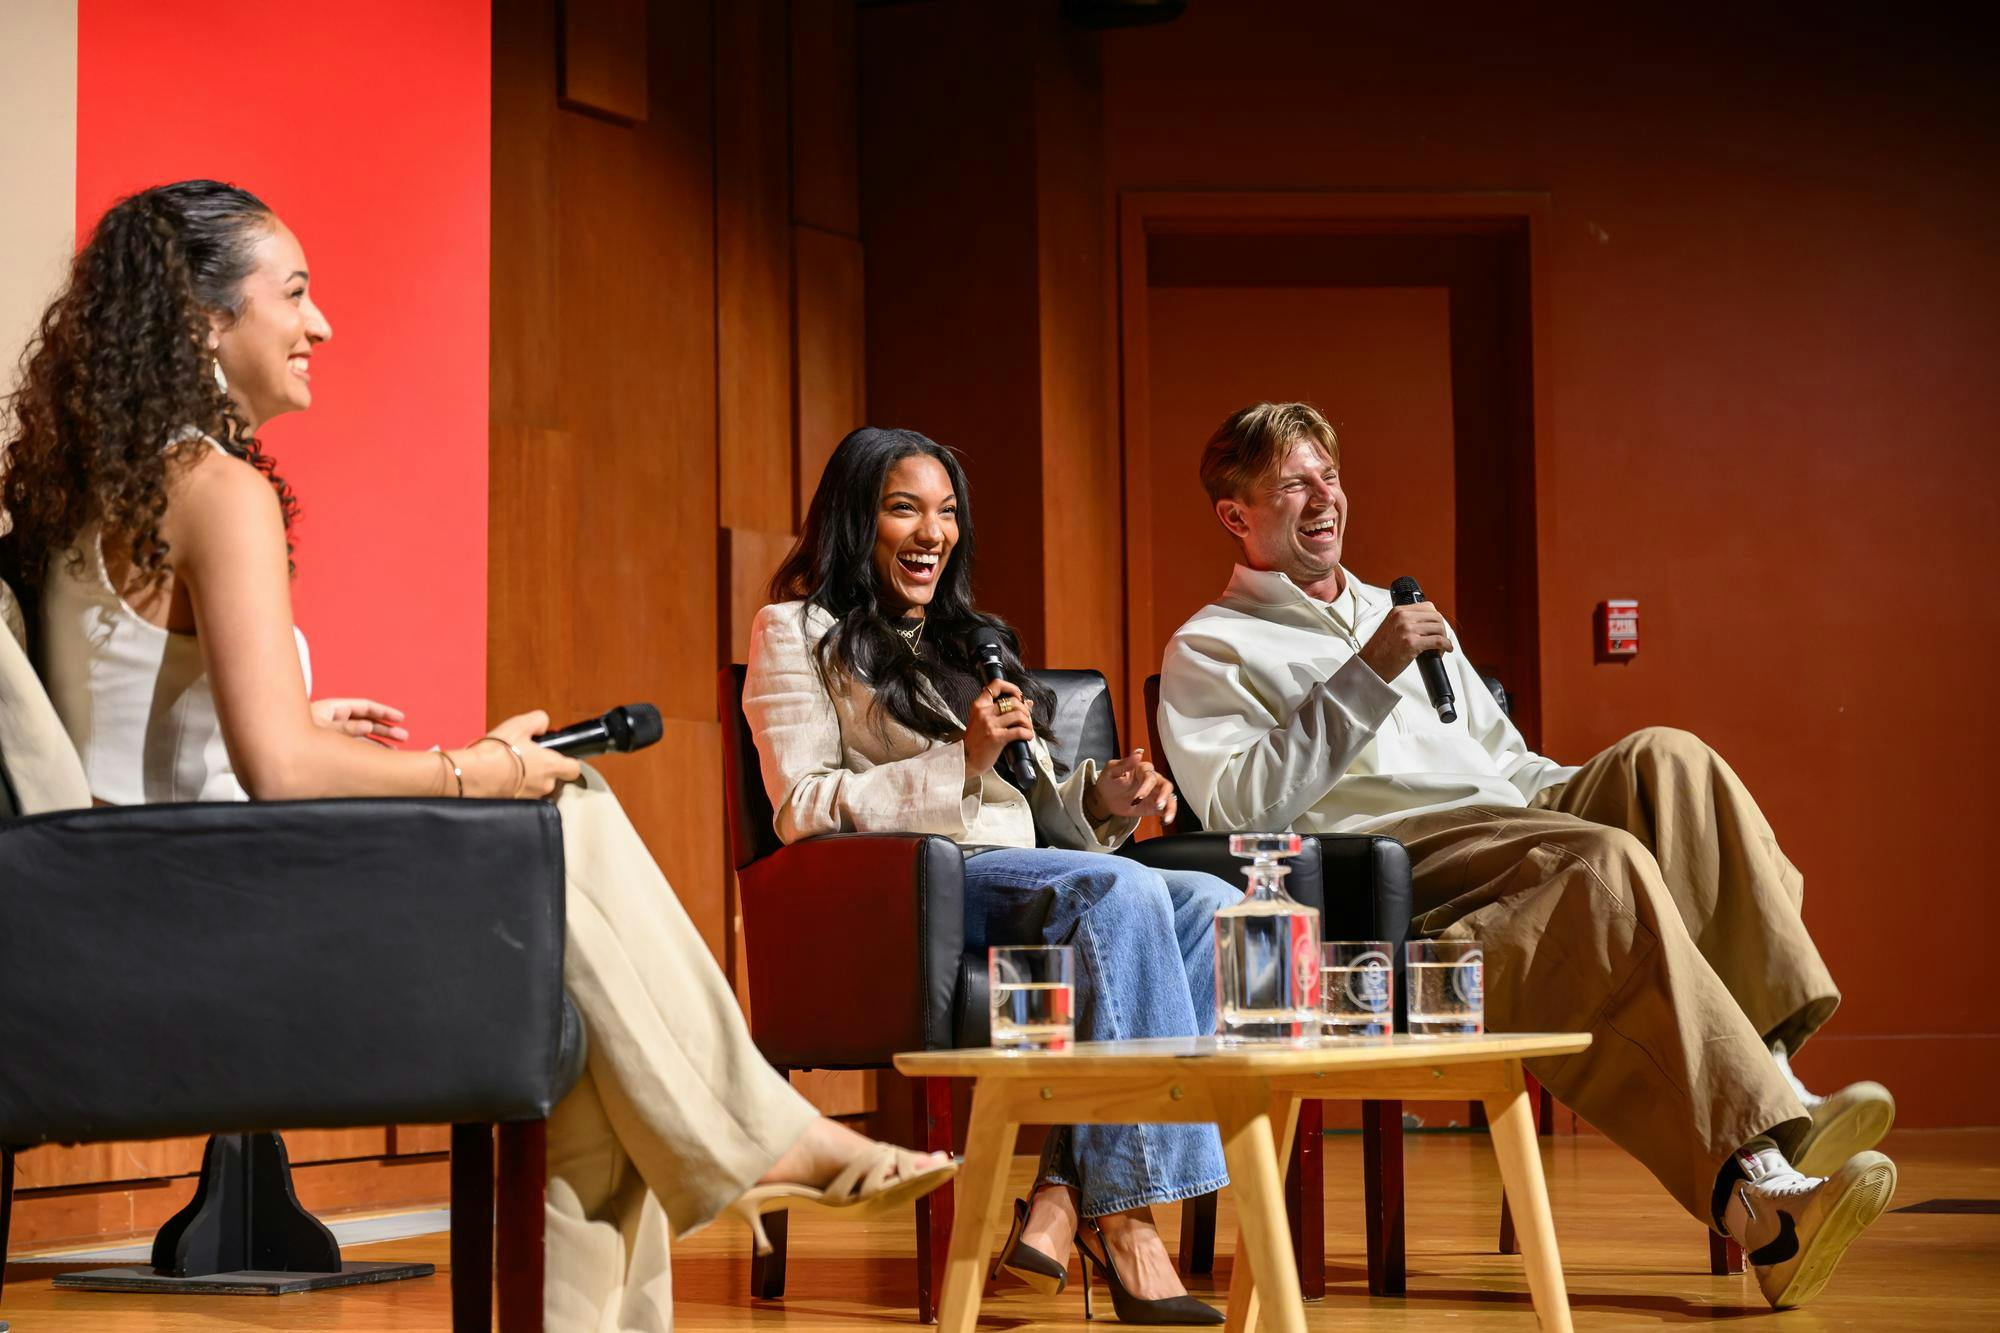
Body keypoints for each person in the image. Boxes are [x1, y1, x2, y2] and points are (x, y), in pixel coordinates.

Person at [0, 180, 952, 1333]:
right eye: (294, 294)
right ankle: (758, 1126)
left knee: (593, 1036)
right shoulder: (217, 491)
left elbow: (126, 716)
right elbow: (282, 774)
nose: (321, 325)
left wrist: (310, 717)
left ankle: (736, 1132)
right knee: (565, 798)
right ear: (203, 321)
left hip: (132, 887)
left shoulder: (82, 486)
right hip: (210, 913)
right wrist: (474, 772)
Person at [1156, 401, 1896, 1311]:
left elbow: (1507, 763)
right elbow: (1237, 805)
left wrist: (1593, 785)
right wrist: (1365, 675)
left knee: (1673, 762)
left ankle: (1777, 1078)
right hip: (1403, 860)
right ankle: (1761, 1201)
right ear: (1237, 514)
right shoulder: (1211, 644)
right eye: (1293, 484)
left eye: (1330, 476)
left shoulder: (1404, 614)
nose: (1324, 498)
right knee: (1603, 862)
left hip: (1515, 818)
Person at [744, 426, 1237, 1325]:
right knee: (1123, 892)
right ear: (858, 520)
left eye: (946, 512)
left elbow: (1037, 812)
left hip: (1019, 872)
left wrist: (1105, 802)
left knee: (1216, 902)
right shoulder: (796, 632)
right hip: (906, 893)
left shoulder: (977, 642)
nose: (933, 531)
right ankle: (1129, 1222)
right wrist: (959, 763)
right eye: (905, 508)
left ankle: (1060, 1197)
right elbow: (802, 804)